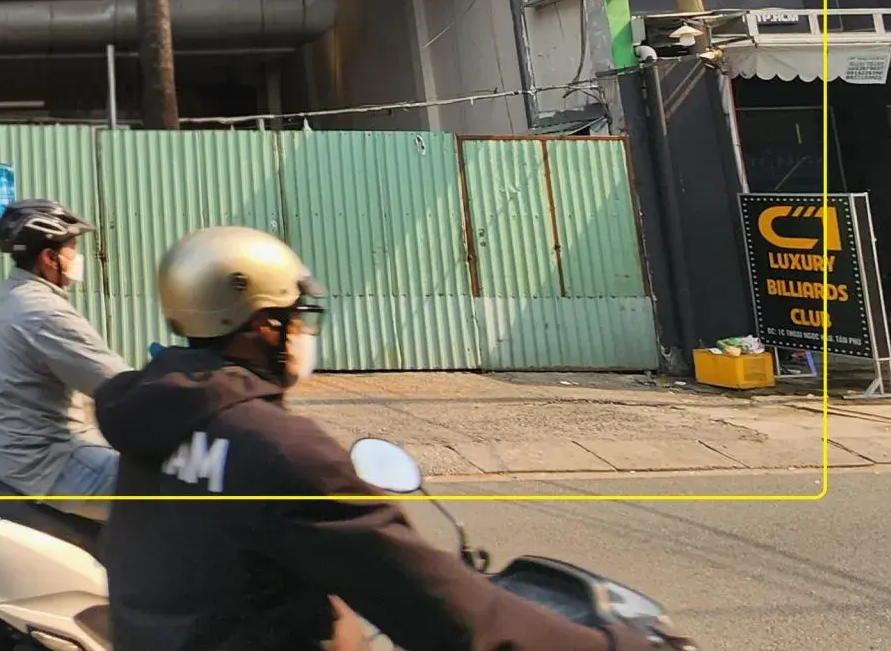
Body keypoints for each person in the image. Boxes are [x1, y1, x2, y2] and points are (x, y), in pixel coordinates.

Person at [92, 226, 651, 651]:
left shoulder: (151, 421)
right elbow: (443, 611)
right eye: (297, 315)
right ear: (262, 324)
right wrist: (611, 645)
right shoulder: (278, 450)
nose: (304, 331)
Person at [0, 199, 129, 522]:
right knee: (177, 495)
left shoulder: (9, 295)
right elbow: (118, 384)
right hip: (52, 466)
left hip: (15, 459)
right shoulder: (45, 313)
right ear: (48, 257)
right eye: (72, 248)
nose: (77, 258)